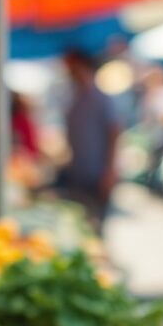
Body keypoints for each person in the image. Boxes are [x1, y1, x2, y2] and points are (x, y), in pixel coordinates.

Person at [60, 50, 122, 221]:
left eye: (71, 66)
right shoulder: (76, 98)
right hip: (79, 171)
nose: (68, 71)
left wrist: (109, 170)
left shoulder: (101, 98)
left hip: (97, 173)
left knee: (95, 219)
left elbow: (114, 132)